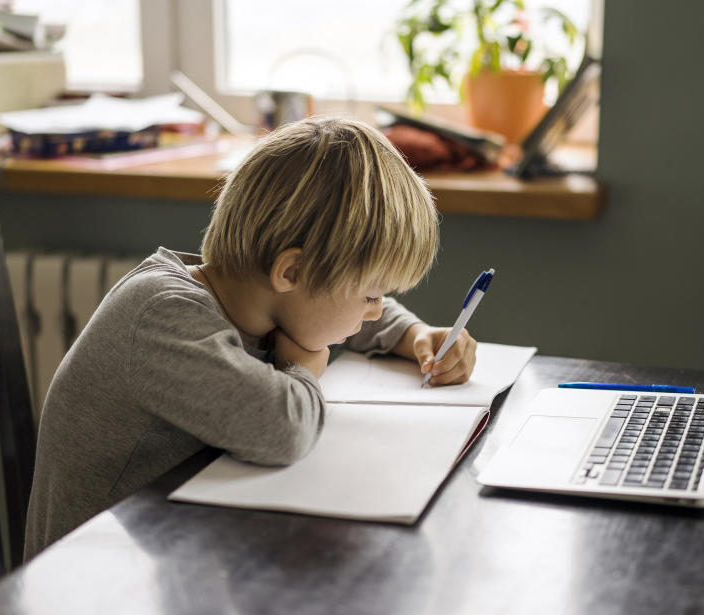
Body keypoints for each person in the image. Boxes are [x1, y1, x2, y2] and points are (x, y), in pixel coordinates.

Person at [24, 118, 477, 558]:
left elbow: (336, 306)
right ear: (292, 271)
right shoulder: (162, 314)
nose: (375, 310)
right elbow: (280, 430)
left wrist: (414, 333)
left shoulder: (251, 294)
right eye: (372, 295)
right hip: (90, 574)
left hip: (172, 546)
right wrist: (303, 370)